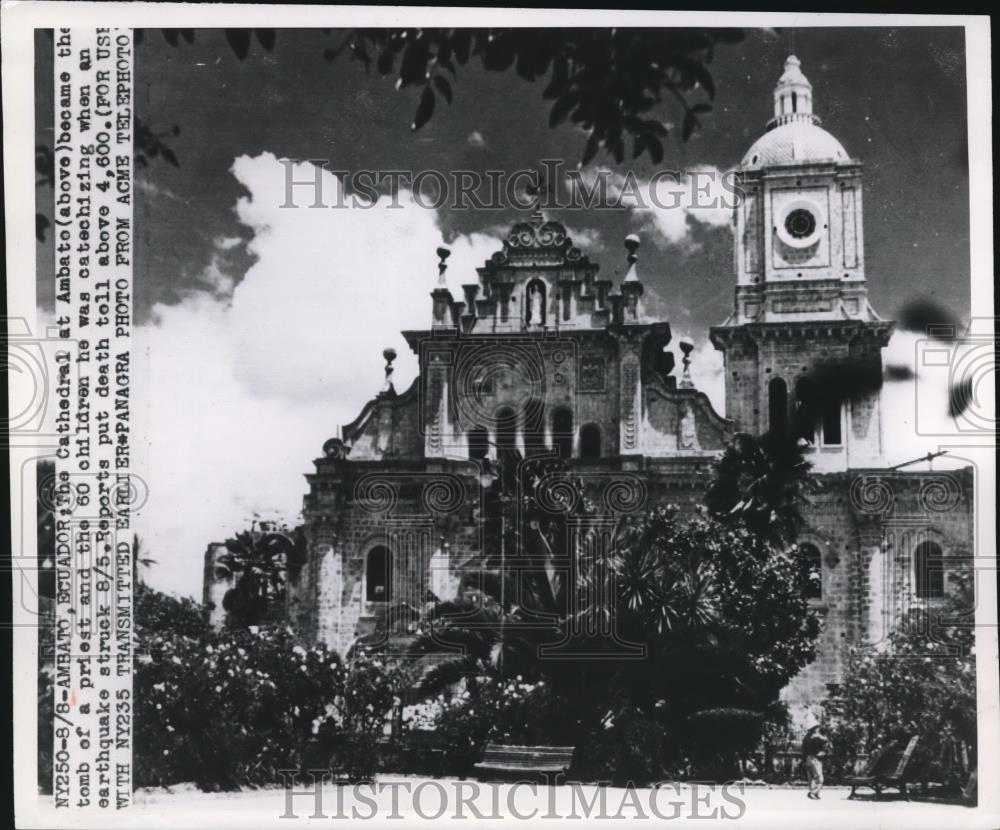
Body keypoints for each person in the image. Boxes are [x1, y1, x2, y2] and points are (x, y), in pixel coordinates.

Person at [802, 724, 829, 800]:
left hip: (808, 758)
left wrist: (804, 761)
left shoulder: (806, 738)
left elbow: (803, 750)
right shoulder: (816, 736)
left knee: (811, 778)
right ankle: (813, 793)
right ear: (815, 728)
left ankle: (815, 793)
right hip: (815, 759)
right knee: (820, 778)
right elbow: (825, 739)